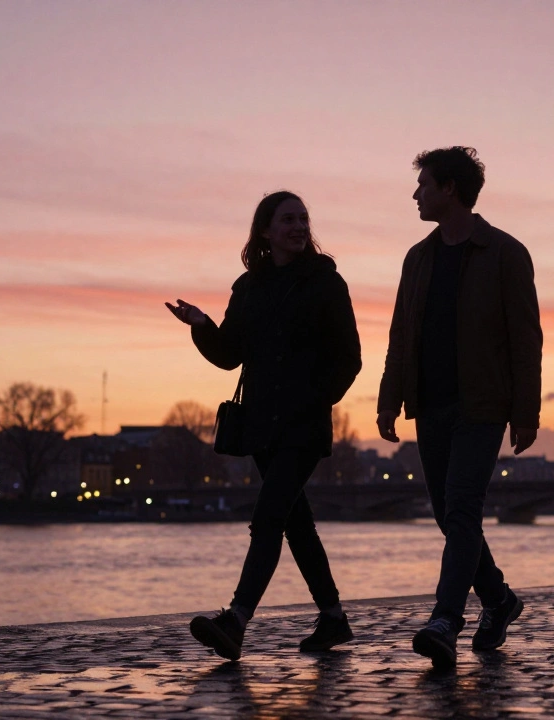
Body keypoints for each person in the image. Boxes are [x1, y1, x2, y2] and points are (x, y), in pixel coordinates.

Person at [166, 190, 362, 661]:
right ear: (266, 231)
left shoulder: (326, 283)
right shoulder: (248, 287)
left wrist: (315, 400)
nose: (298, 226)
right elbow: (229, 354)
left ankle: (236, 620)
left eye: (303, 219)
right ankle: (333, 619)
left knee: (268, 518)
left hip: (302, 426)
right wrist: (199, 323)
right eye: (288, 219)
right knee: (297, 524)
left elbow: (349, 359)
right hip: (260, 425)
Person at [377, 147, 543, 668]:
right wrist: (389, 399)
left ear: (450, 188)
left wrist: (526, 411)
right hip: (430, 404)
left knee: (462, 507)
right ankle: (498, 600)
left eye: (423, 184)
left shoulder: (505, 253)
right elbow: (401, 333)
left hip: (483, 404)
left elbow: (525, 338)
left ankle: (446, 618)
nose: (415, 194)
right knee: (452, 518)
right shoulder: (418, 258)